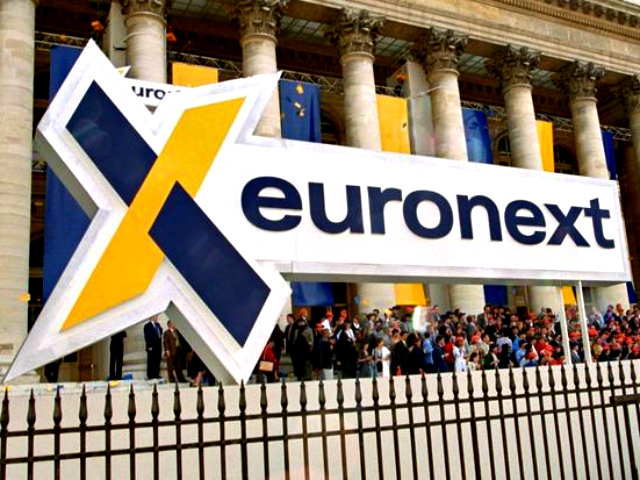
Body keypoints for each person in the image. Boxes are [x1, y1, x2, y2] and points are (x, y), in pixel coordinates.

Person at [143, 315, 163, 380]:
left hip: (158, 345)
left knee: (157, 360)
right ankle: (150, 375)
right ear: (152, 317)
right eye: (156, 317)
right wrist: (149, 346)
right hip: (152, 346)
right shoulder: (147, 326)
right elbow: (147, 336)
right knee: (151, 360)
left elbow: (160, 333)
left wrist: (160, 327)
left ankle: (156, 374)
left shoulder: (158, 324)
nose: (157, 318)